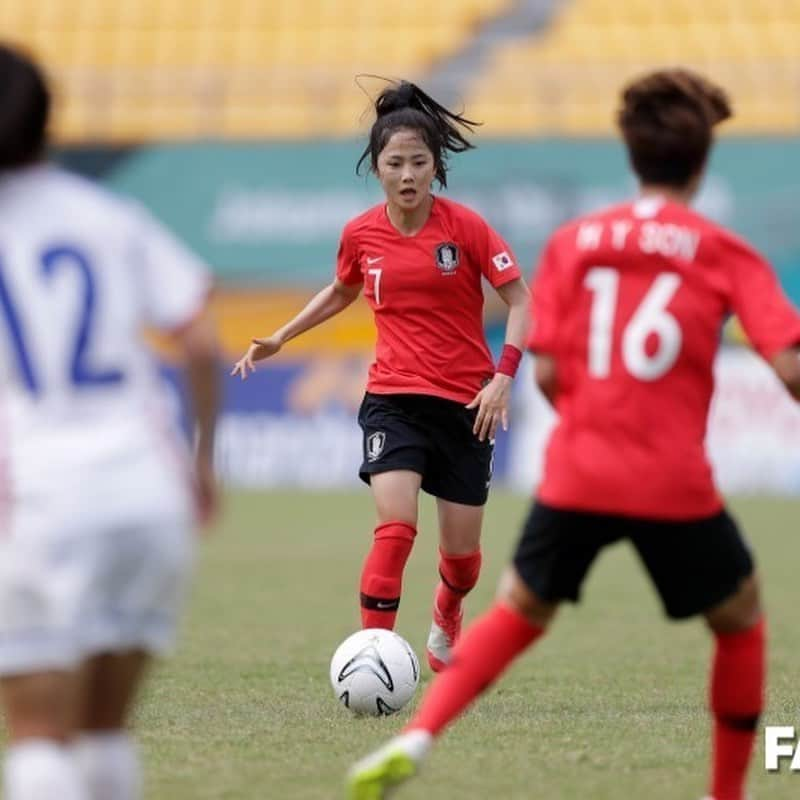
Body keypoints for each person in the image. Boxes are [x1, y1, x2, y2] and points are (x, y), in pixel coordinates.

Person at [346, 68, 800, 800]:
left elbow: (551, 372)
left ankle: (418, 735)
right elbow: (790, 367)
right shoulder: (722, 249)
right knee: (740, 619)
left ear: (632, 153)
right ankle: (727, 792)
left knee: (521, 608)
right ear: (702, 159)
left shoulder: (578, 241)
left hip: (580, 469)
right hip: (672, 479)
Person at [232, 80, 530, 672]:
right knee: (395, 527)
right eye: (395, 163)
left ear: (436, 165)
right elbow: (342, 289)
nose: (408, 174)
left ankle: (447, 614)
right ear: (377, 168)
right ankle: (375, 660)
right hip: (392, 398)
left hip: (468, 405)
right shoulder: (360, 234)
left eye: (419, 162)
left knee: (463, 559)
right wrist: (283, 336)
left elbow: (522, 300)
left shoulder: (466, 228)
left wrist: (503, 377)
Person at [0, 44, 220, 800]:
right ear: (49, 122)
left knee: (36, 736)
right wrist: (202, 466)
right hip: (142, 490)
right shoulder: (109, 217)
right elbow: (199, 339)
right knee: (102, 730)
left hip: (34, 497)